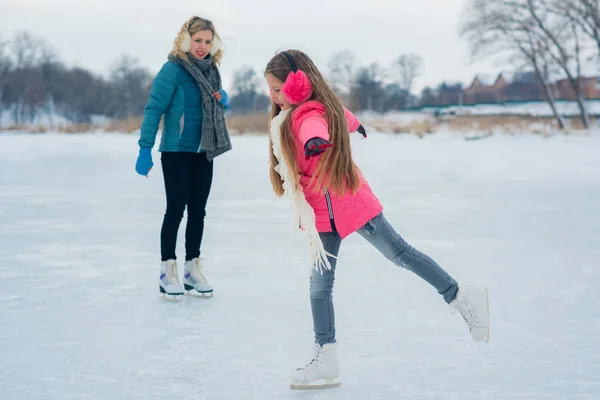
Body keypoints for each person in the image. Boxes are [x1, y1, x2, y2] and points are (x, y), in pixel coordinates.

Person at [264, 49, 490, 390]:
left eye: (279, 88)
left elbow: (317, 123)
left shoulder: (306, 113)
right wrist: (356, 124)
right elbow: (341, 114)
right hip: (322, 214)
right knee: (320, 286)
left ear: (298, 84)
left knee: (400, 254)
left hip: (347, 203)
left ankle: (460, 295)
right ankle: (326, 353)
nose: (274, 96)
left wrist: (315, 141)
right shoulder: (302, 111)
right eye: (270, 89)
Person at [135, 16, 232, 297]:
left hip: (204, 150)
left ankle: (192, 269)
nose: (202, 46)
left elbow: (211, 113)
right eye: (197, 40)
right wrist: (145, 147)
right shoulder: (172, 70)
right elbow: (154, 109)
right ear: (186, 40)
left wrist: (223, 101)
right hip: (176, 150)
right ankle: (168, 271)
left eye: (207, 42)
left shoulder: (212, 70)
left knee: (198, 212)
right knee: (176, 210)